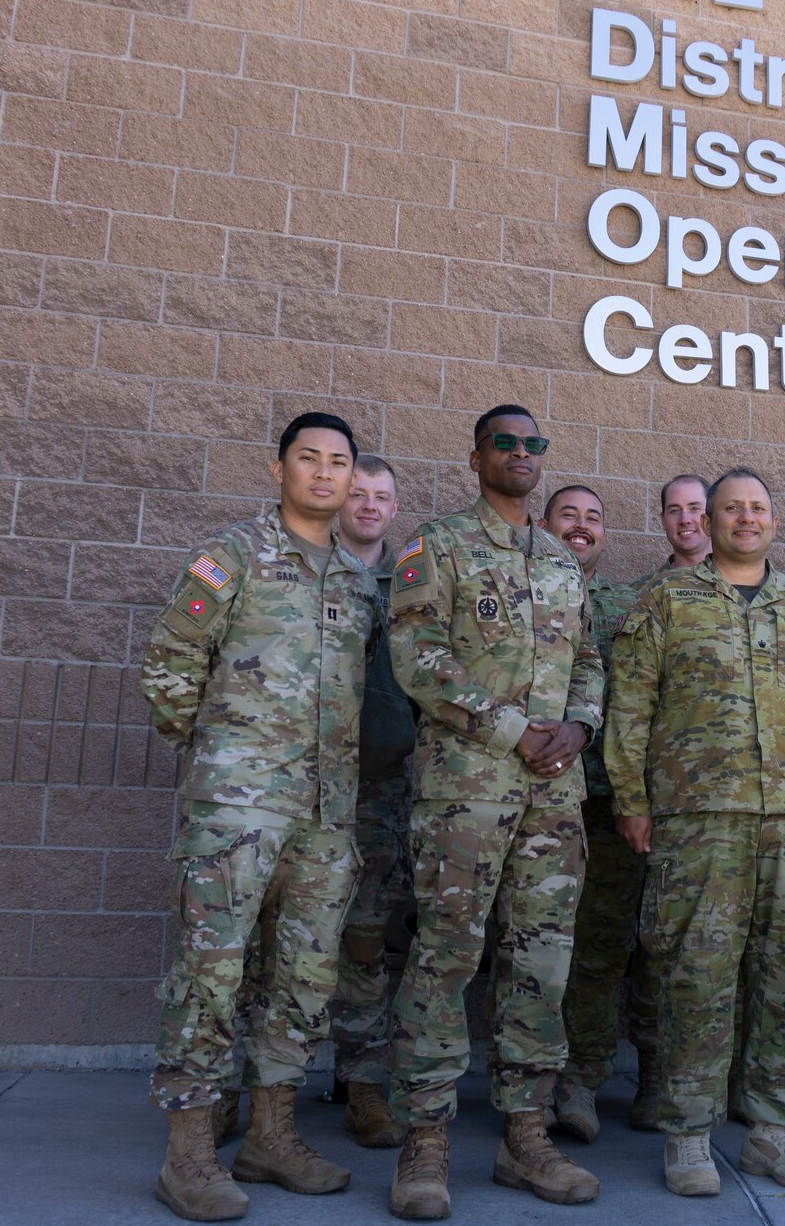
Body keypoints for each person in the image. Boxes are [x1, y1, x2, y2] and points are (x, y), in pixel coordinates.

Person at [607, 467, 785, 1197]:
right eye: (732, 508)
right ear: (711, 521)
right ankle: (689, 1134)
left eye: (757, 508)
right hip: (698, 823)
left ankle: (768, 1131)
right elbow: (629, 706)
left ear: (774, 522)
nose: (745, 518)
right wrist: (631, 800)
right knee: (696, 976)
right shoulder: (666, 600)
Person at [141, 412, 378, 1222]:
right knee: (211, 973)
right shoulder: (233, 555)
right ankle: (189, 1153)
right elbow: (170, 664)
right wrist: (218, 760)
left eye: (338, 462)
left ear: (352, 479)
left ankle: (271, 1134)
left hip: (326, 816)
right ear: (278, 469)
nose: (324, 473)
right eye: (308, 458)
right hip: (236, 810)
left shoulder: (354, 579)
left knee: (305, 976)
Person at [384, 406, 605, 1219]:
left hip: (554, 796)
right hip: (467, 791)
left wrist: (580, 725)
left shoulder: (558, 558)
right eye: (504, 442)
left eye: (533, 444)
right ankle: (426, 1140)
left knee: (541, 961)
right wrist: (515, 728)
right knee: (446, 957)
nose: (520, 453)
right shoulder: (436, 545)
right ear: (476, 455)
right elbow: (417, 654)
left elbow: (587, 658)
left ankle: (525, 1135)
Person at [543, 485, 658, 1143]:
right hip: (532, 804)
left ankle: (583, 1077)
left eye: (593, 517)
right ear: (545, 524)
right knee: (528, 945)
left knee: (604, 945)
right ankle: (531, 1078)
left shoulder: (623, 607)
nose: (581, 527)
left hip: (607, 806)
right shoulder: (520, 589)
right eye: (569, 515)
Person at [327, 455, 417, 1149]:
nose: (368, 504)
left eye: (380, 496)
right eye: (358, 492)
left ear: (393, 508)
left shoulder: (413, 582)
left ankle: (363, 1082)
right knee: (271, 939)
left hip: (381, 792)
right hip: (299, 784)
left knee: (364, 938)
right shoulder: (303, 569)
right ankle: (240, 1085)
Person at [655, 473, 711, 572]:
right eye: (674, 511)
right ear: (663, 521)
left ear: (712, 515)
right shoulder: (646, 587)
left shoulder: (743, 582)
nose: (685, 520)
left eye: (694, 508)